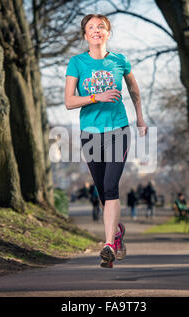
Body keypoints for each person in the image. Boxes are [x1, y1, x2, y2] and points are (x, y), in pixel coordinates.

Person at [64, 14, 147, 268]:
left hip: (118, 131)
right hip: (90, 133)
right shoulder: (77, 63)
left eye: (101, 27)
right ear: (85, 35)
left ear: (108, 33)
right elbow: (69, 102)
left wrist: (140, 118)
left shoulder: (120, 61)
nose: (96, 30)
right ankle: (117, 232)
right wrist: (95, 97)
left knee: (111, 187)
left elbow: (134, 90)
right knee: (102, 192)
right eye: (91, 27)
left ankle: (108, 244)